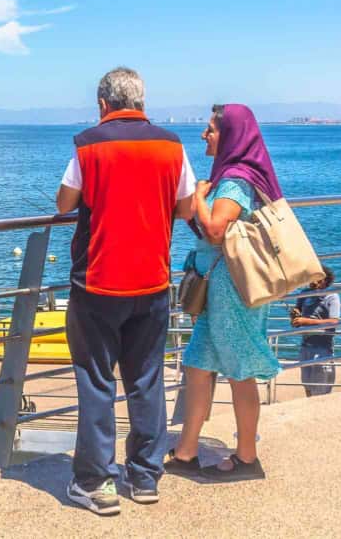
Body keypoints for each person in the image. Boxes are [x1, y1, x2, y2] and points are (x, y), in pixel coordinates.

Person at [56, 67, 196, 515]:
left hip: (97, 282)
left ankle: (96, 482)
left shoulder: (89, 143)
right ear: (141, 100)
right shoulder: (172, 145)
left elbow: (64, 203)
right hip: (153, 280)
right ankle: (144, 476)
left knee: (97, 381)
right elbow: (186, 207)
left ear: (103, 104)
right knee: (146, 379)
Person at [170, 103, 282, 482]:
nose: (205, 135)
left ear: (231, 135)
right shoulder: (231, 175)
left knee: (239, 372)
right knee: (198, 364)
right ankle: (186, 452)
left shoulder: (235, 180)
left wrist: (199, 197)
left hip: (232, 292)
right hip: (217, 287)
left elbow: (217, 229)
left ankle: (247, 458)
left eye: (211, 129)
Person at [292, 268, 341, 396]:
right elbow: (296, 320)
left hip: (323, 349)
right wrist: (295, 317)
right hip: (305, 346)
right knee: (307, 386)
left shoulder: (332, 296)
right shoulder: (304, 294)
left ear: (325, 280)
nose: (312, 281)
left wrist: (306, 321)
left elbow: (334, 322)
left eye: (316, 278)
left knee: (321, 390)